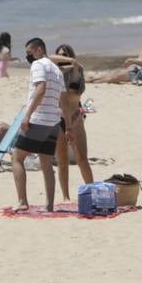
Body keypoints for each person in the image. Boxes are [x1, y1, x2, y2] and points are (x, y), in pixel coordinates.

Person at [11, 37, 65, 212]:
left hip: (39, 119)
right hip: (53, 122)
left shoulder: (38, 65)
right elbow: (62, 100)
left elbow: (40, 90)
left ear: (40, 49)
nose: (28, 57)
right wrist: (68, 126)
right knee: (46, 164)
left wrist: (27, 116)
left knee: (17, 158)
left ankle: (22, 201)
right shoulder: (57, 70)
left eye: (30, 52)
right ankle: (49, 205)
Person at [48, 44, 93, 200]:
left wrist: (73, 64)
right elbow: (47, 58)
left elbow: (75, 89)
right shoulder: (54, 72)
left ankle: (91, 191)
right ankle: (66, 197)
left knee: (82, 159)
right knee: (62, 161)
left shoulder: (77, 71)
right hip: (58, 119)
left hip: (75, 118)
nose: (62, 58)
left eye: (65, 54)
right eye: (60, 55)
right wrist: (68, 61)